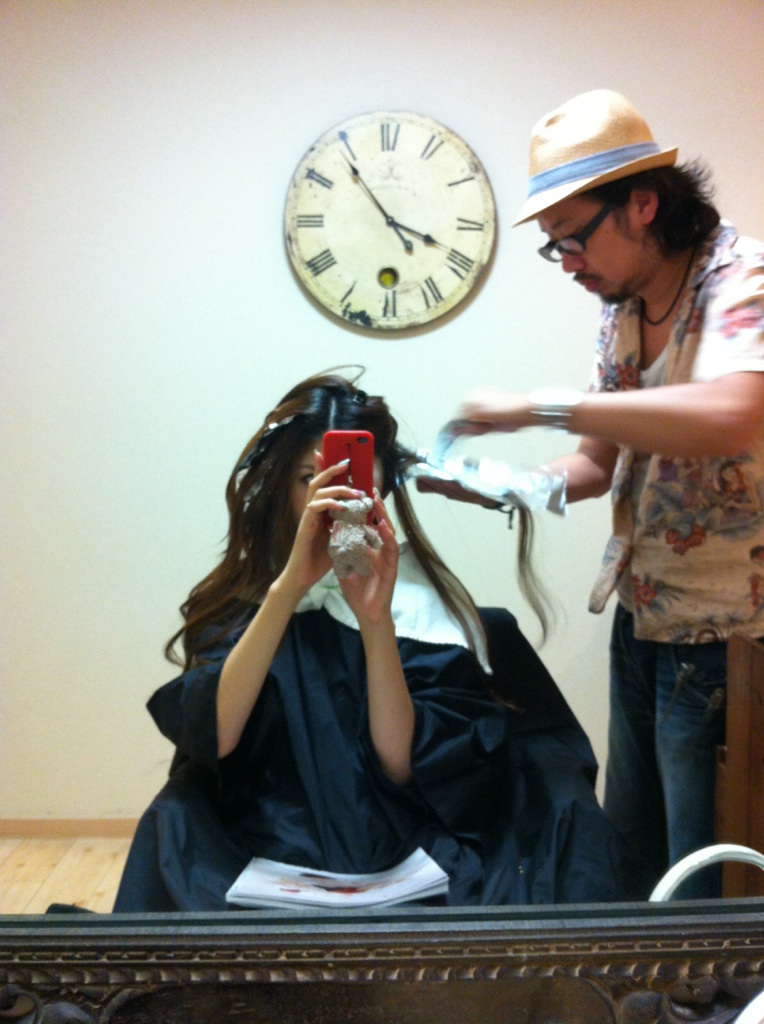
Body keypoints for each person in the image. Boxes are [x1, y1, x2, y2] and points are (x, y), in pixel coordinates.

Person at [113, 370, 634, 912]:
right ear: (281, 487)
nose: (330, 496)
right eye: (308, 479)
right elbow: (215, 738)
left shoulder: (421, 606)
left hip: (404, 838)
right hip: (260, 839)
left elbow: (402, 766)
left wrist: (376, 622)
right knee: (173, 829)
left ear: (380, 485)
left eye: (351, 480)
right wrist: (287, 590)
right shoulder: (248, 600)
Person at [442, 89, 764, 899]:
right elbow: (598, 464)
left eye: (573, 237)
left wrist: (539, 405)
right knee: (637, 854)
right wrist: (505, 486)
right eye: (553, 247)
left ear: (643, 204)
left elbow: (730, 414)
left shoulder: (741, 278)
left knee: (704, 873)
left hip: (729, 639)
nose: (568, 263)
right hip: (642, 616)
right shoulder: (622, 308)